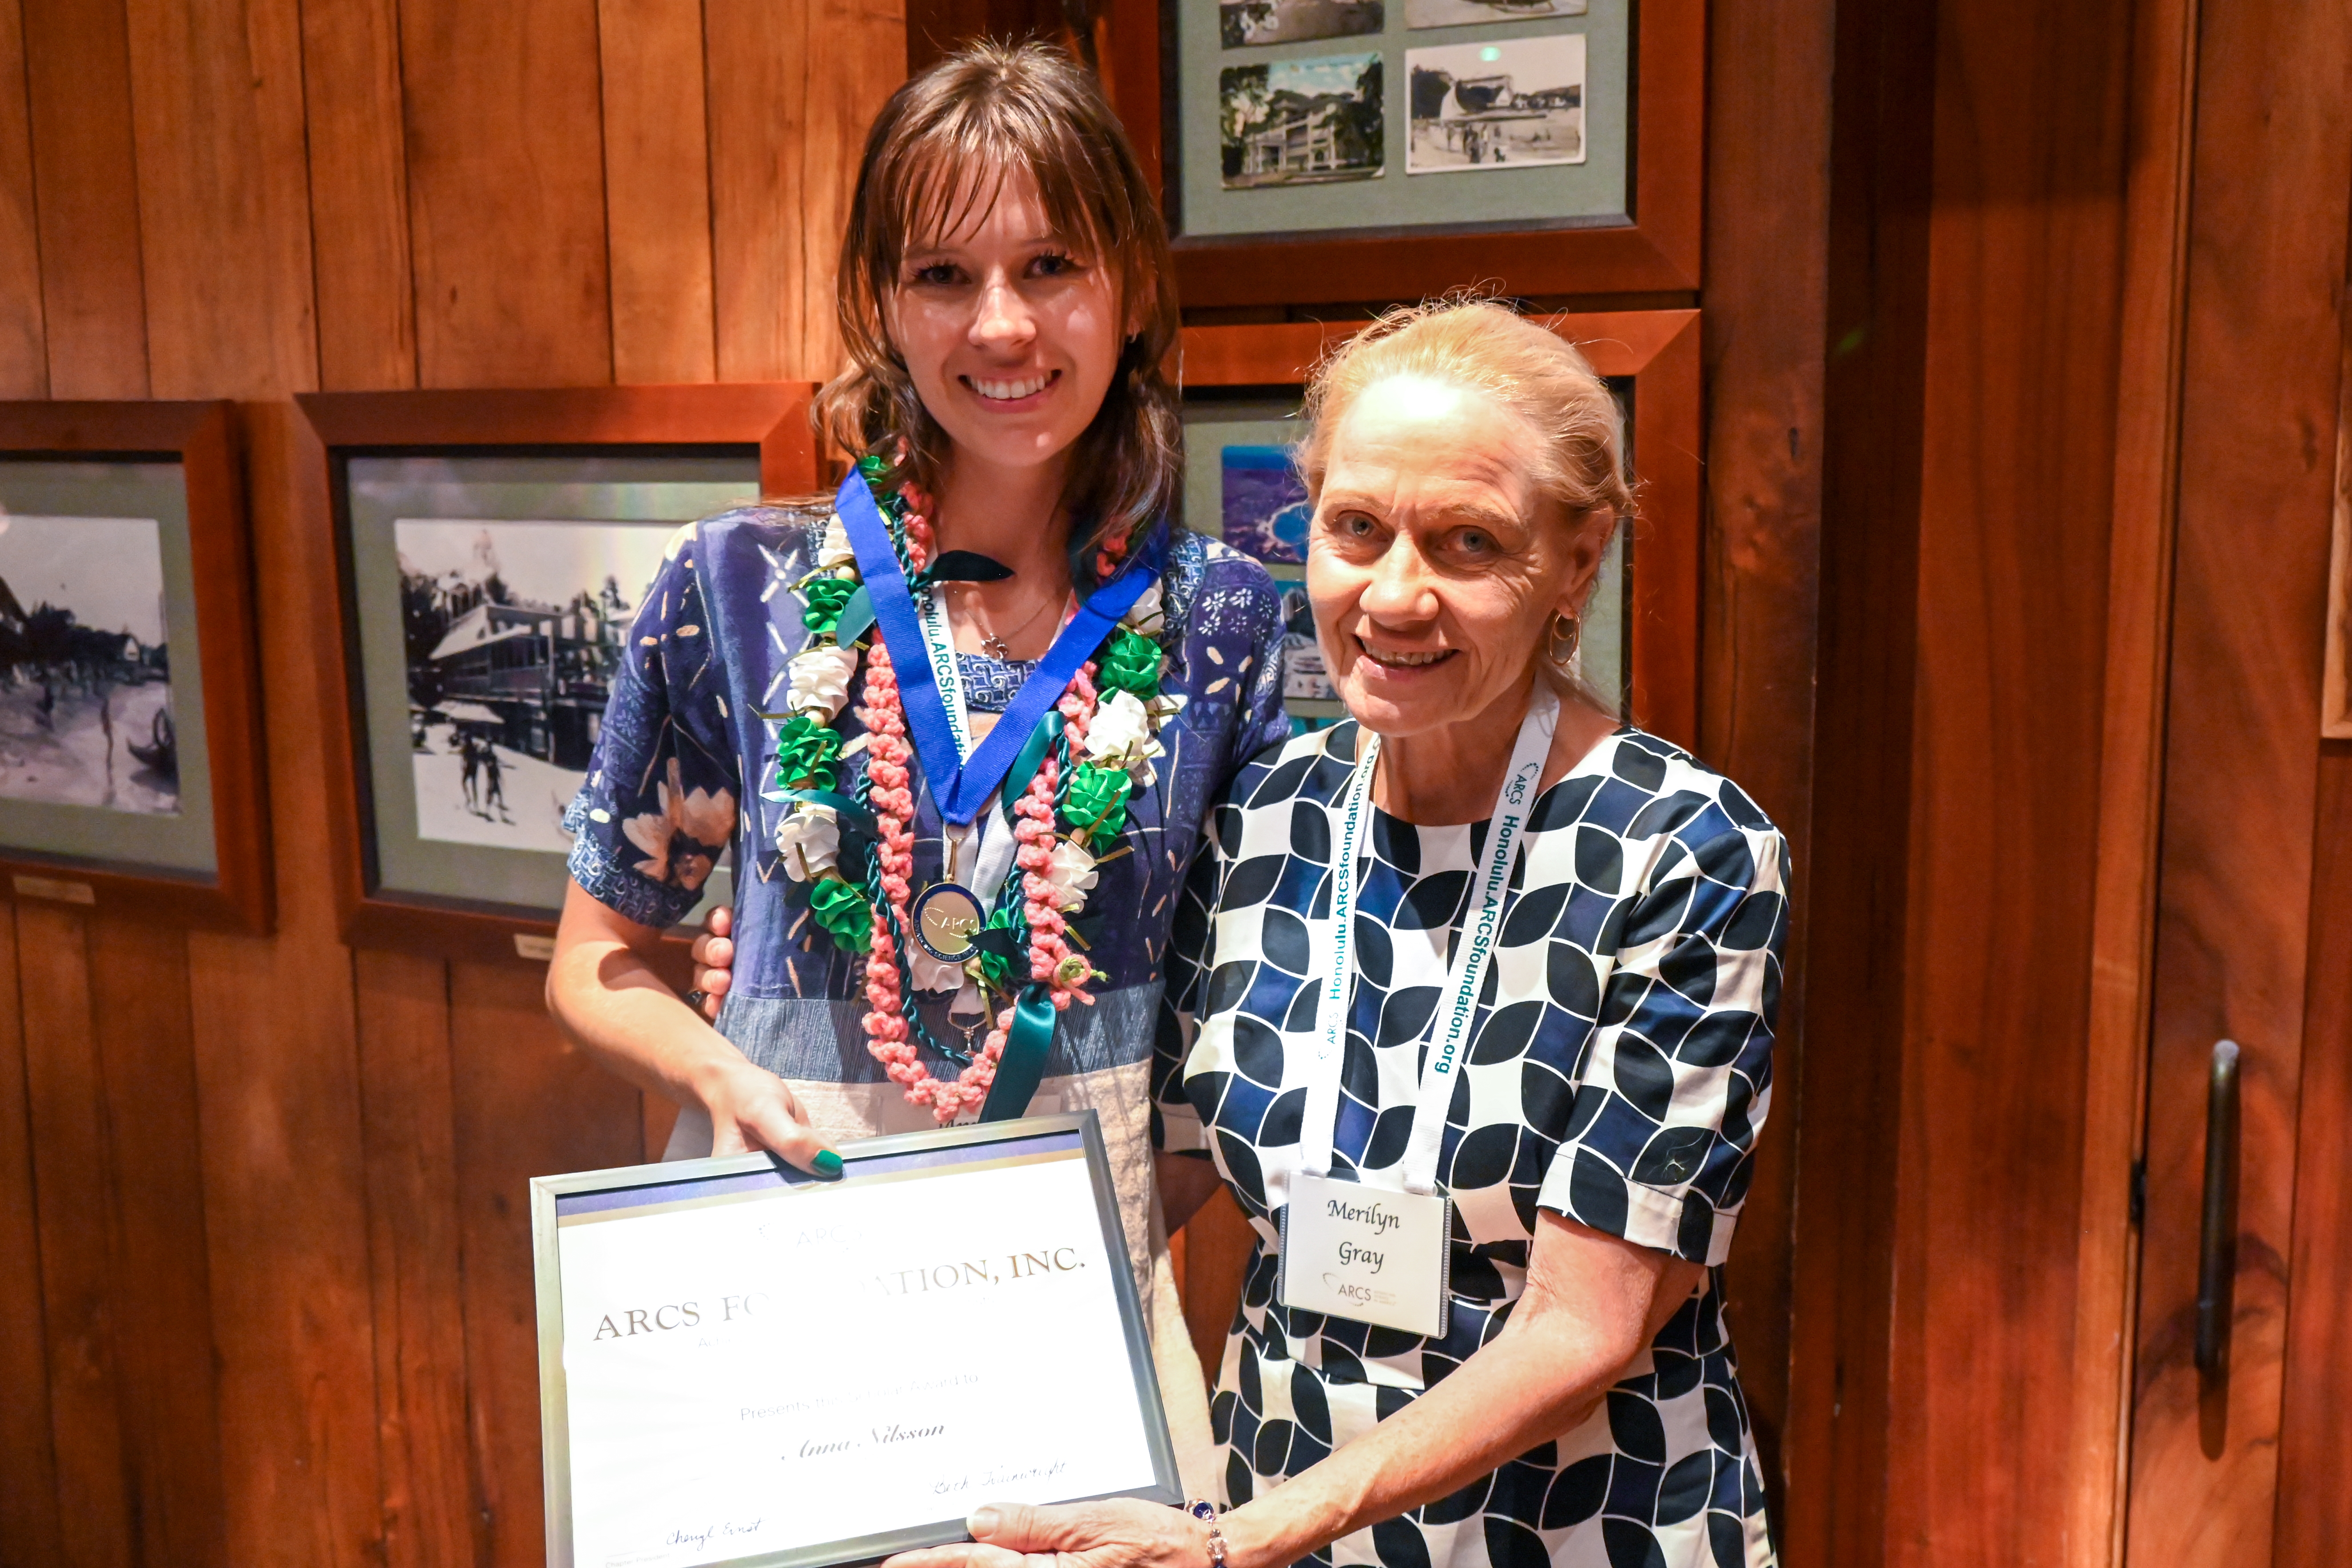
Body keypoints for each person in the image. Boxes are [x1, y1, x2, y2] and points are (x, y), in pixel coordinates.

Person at [863, 300, 1792, 1567]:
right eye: (1358, 528)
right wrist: (894, 1333)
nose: (1395, 594)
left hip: (1577, 1528)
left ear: (1580, 560)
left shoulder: (1684, 850)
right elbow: (1169, 1160)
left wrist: (1246, 1540)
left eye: (1470, 542)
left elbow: (1590, 1328)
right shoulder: (1266, 813)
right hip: (1274, 1507)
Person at [543, 40, 1289, 1495]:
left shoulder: (1219, 624)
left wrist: (1096, 1211)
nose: (1001, 326)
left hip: (1069, 1329)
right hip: (780, 1287)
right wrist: (735, 1081)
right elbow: (596, 959)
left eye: (1052, 264)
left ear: (1131, 287)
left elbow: (1224, 1038)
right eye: (944, 275)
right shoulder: (736, 587)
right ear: (883, 302)